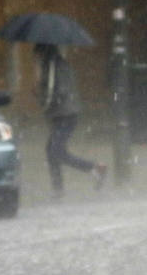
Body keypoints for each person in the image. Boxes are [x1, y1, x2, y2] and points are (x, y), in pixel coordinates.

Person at [35, 43, 107, 195]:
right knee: (53, 150)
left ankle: (94, 168)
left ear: (43, 52)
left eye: (37, 54)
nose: (36, 58)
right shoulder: (58, 64)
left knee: (55, 151)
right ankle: (58, 188)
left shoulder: (53, 66)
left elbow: (58, 91)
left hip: (65, 115)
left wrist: (42, 96)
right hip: (65, 113)